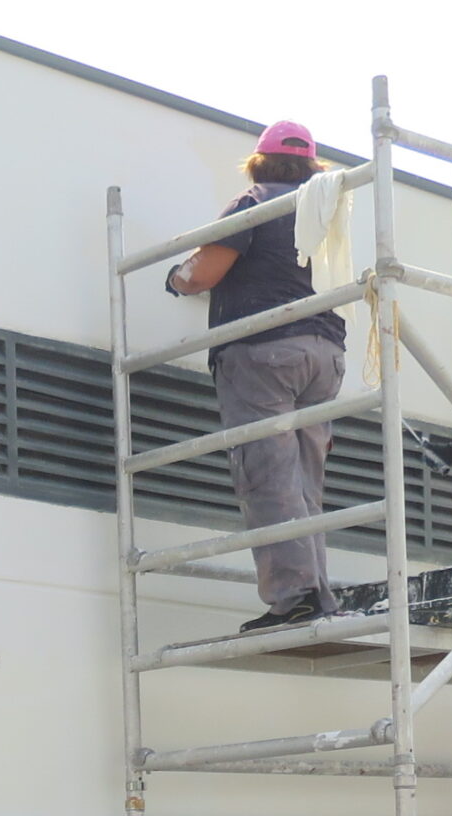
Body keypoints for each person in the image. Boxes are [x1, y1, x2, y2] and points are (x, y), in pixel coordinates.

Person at [162, 119, 345, 633]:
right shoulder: (324, 211)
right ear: (311, 165)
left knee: (267, 475)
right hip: (325, 351)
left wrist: (177, 278)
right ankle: (317, 594)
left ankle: (296, 598)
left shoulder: (257, 200)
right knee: (305, 480)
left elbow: (203, 272)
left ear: (260, 161)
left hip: (265, 350)